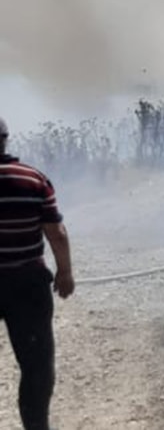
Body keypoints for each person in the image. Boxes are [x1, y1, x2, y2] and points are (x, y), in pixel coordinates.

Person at [0, 117, 74, 430]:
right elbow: (56, 232)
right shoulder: (33, 179)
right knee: (36, 368)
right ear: (5, 139)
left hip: (24, 285)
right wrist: (65, 273)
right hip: (27, 285)